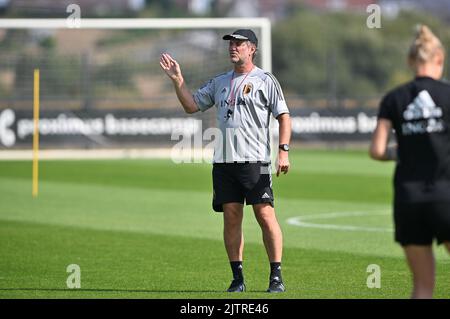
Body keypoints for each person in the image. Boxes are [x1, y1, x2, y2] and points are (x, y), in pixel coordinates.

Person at [160, 29, 291, 293]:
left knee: (265, 215)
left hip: (255, 161)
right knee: (231, 217)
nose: (233, 48)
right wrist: (178, 81)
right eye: (231, 44)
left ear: (252, 48)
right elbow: (191, 106)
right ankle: (237, 278)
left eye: (239, 44)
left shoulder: (265, 80)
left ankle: (276, 276)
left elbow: (284, 116)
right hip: (224, 163)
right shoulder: (219, 82)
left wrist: (283, 150)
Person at [370, 25, 450, 299]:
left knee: (422, 288)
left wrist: (404, 150)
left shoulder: (394, 98)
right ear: (440, 59)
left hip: (409, 199)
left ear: (410, 61)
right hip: (446, 197)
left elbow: (377, 150)